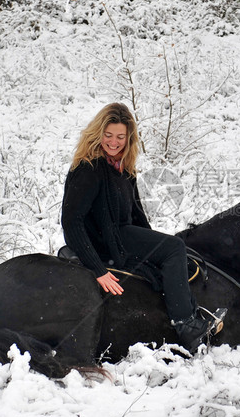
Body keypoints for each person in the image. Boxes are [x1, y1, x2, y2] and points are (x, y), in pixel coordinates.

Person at [61, 102, 222, 353]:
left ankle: (189, 309)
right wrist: (98, 268)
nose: (114, 142)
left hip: (120, 234)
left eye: (120, 137)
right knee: (174, 247)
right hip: (105, 241)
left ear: (129, 139)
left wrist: (155, 245)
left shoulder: (124, 170)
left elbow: (138, 216)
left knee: (173, 250)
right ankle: (186, 326)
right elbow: (71, 222)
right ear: (98, 134)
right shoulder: (89, 169)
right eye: (109, 135)